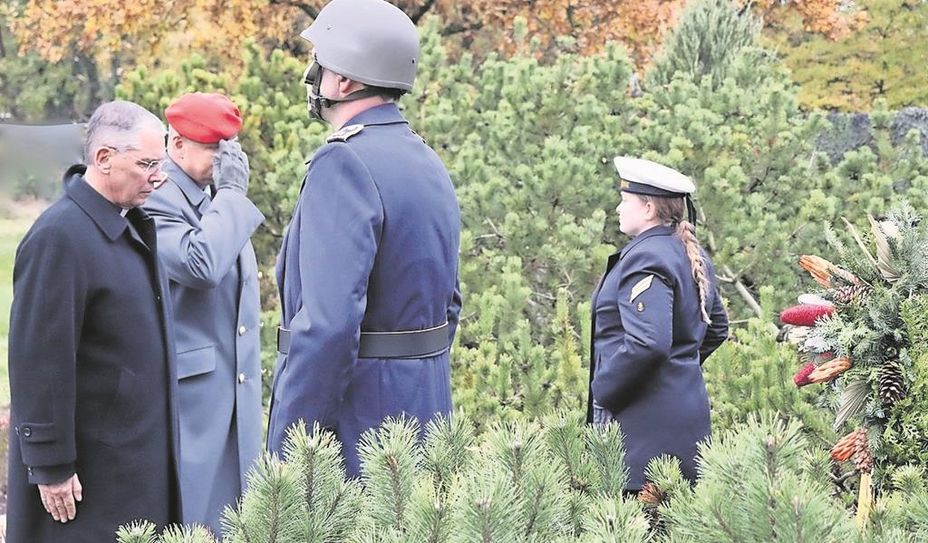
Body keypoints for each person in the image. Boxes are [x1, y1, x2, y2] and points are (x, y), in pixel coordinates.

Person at [267, 0, 462, 478]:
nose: (314, 73)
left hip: (359, 430)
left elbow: (329, 325)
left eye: (322, 61)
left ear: (345, 80)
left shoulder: (344, 163)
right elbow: (448, 304)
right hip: (423, 415)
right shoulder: (424, 159)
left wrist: (296, 447)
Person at [5, 101, 181, 542]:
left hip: (130, 459)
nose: (158, 177)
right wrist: (50, 465)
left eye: (160, 164)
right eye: (146, 164)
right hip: (89, 479)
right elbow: (39, 359)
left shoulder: (131, 225)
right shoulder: (59, 238)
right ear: (103, 159)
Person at [142, 92, 264, 536]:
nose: (224, 158)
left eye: (229, 147)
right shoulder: (158, 199)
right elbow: (201, 266)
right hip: (193, 402)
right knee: (194, 522)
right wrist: (231, 193)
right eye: (213, 147)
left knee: (238, 520)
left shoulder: (214, 196)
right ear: (176, 144)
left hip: (234, 389)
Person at [586, 157, 729, 493]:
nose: (618, 208)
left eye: (625, 200)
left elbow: (648, 344)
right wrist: (678, 369)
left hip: (639, 432)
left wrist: (604, 390)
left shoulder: (645, 256)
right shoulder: (689, 252)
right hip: (683, 425)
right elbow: (717, 328)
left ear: (648, 207)